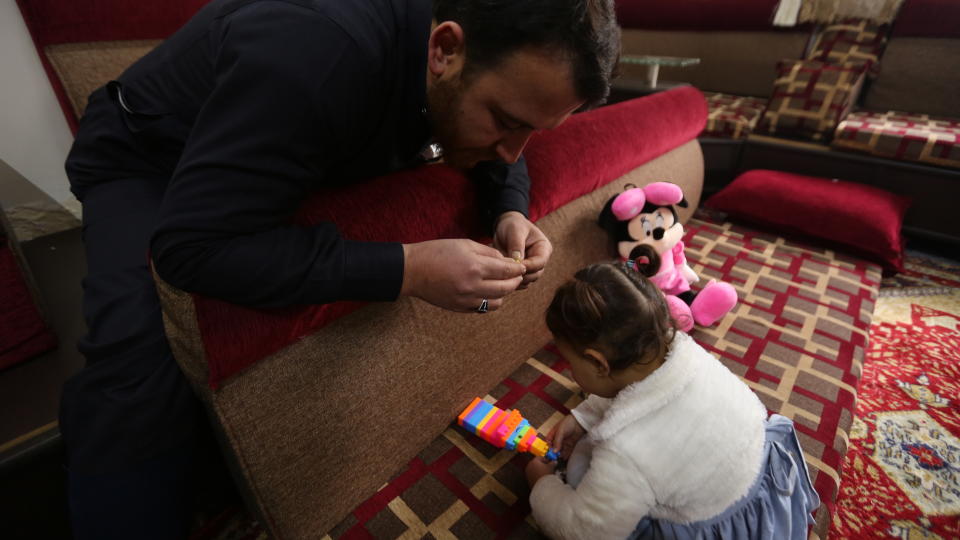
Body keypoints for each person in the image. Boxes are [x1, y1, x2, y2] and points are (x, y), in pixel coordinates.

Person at [60, 0, 620, 538]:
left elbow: (500, 153)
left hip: (290, 119)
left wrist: (509, 206)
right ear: (444, 48)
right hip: (146, 159)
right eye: (502, 120)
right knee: (139, 365)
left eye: (532, 132)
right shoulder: (312, 50)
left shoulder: (460, 49)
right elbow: (193, 248)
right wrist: (410, 269)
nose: (511, 153)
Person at [525, 262, 820, 539]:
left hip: (722, 525)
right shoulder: (680, 353)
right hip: (770, 484)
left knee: (581, 471)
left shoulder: (626, 451)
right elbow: (640, 391)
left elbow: (584, 531)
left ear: (598, 363)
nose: (569, 370)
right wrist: (582, 417)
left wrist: (542, 484)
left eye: (570, 363)